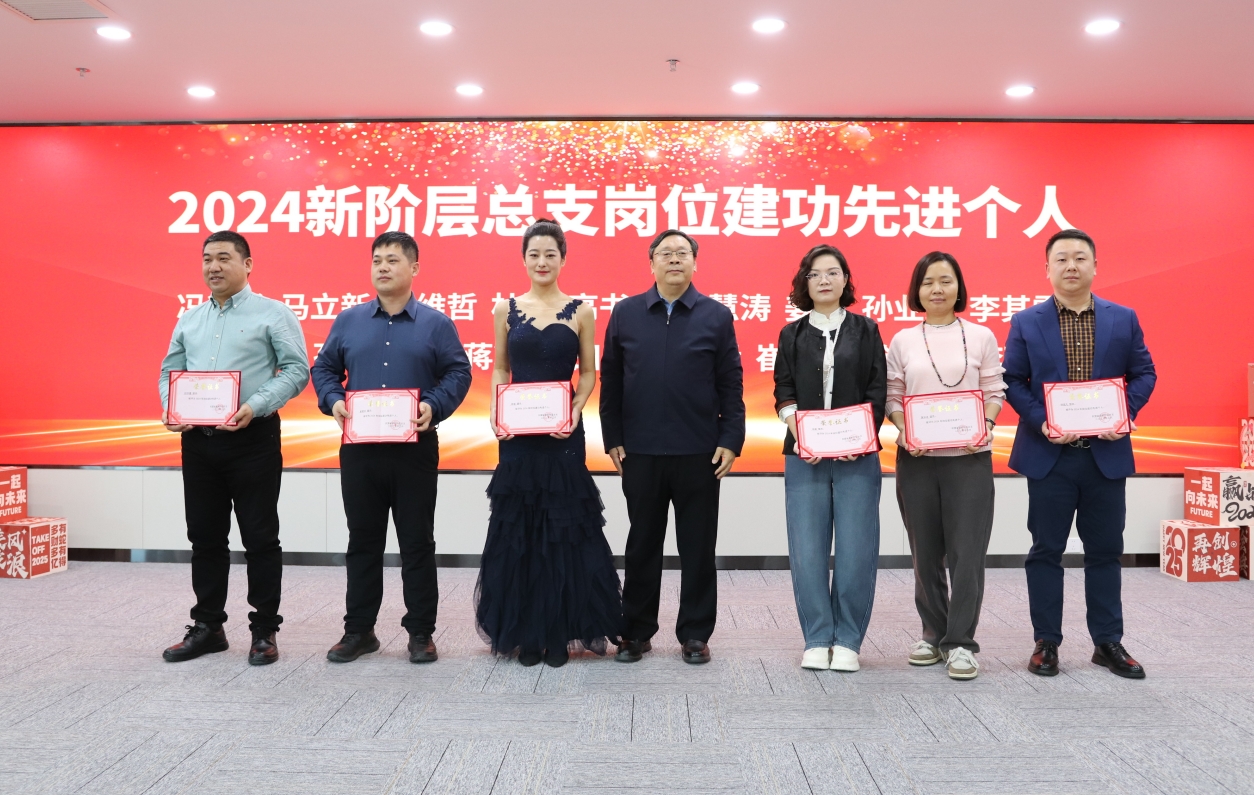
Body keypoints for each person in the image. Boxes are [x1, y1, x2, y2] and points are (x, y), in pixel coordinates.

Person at [311, 231, 471, 664]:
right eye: (377, 260)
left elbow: (458, 372)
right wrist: (334, 400)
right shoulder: (348, 321)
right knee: (362, 540)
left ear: (414, 268)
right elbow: (323, 369)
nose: (382, 267)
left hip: (413, 447)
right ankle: (359, 631)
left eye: (393, 260)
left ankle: (420, 632)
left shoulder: (436, 324)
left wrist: (433, 405)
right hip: (360, 449)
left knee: (417, 541)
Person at [1004, 228, 1156, 679]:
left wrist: (1123, 414)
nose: (1071, 266)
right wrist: (1042, 422)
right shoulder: (1026, 321)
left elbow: (1144, 373)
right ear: (1047, 268)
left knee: (1105, 550)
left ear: (1094, 266)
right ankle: (1046, 642)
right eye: (1062, 259)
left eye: (1080, 258)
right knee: (1046, 550)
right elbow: (1012, 381)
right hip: (1049, 455)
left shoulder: (1122, 318)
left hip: (1104, 455)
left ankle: (1107, 641)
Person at [474, 219, 623, 668]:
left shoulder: (582, 311)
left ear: (563, 259)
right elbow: (501, 368)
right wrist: (497, 409)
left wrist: (575, 410)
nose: (542, 262)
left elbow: (589, 374)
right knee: (519, 528)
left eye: (550, 254)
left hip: (562, 435)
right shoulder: (505, 308)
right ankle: (526, 633)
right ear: (524, 260)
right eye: (534, 254)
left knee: (564, 528)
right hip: (518, 435)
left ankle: (559, 631)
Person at [159, 231, 310, 665]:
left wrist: (255, 405)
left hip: (252, 439)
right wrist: (172, 406)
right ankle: (208, 626)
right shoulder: (190, 319)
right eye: (207, 258)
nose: (213, 267)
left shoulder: (274, 313)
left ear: (247, 264)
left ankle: (264, 630)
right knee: (205, 537)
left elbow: (297, 370)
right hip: (198, 442)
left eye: (224, 258)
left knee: (260, 538)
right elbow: (170, 371)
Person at [600, 229, 745, 665]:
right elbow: (611, 380)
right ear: (652, 263)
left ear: (695, 263)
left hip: (699, 451)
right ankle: (636, 631)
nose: (675, 259)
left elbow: (730, 383)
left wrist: (731, 439)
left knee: (697, 546)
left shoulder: (716, 316)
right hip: (640, 451)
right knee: (642, 543)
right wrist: (613, 438)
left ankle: (695, 633)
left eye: (683, 253)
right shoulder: (626, 313)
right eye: (666, 253)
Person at [886, 252, 1005, 681]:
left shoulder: (981, 336)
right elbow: (893, 395)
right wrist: (905, 430)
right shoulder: (903, 340)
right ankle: (933, 634)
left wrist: (985, 425)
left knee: (967, 554)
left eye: (946, 281)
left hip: (969, 461)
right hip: (917, 461)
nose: (937, 289)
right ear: (916, 290)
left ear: (959, 287)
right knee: (925, 554)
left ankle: (961, 643)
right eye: (928, 282)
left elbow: (994, 390)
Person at [772, 245, 886, 673]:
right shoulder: (791, 334)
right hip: (805, 455)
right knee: (807, 549)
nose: (824, 280)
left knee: (857, 550)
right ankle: (818, 637)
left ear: (845, 280)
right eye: (815, 273)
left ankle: (849, 640)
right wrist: (798, 429)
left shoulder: (866, 330)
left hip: (858, 455)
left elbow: (877, 389)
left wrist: (863, 434)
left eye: (833, 272)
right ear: (805, 282)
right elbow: (783, 389)